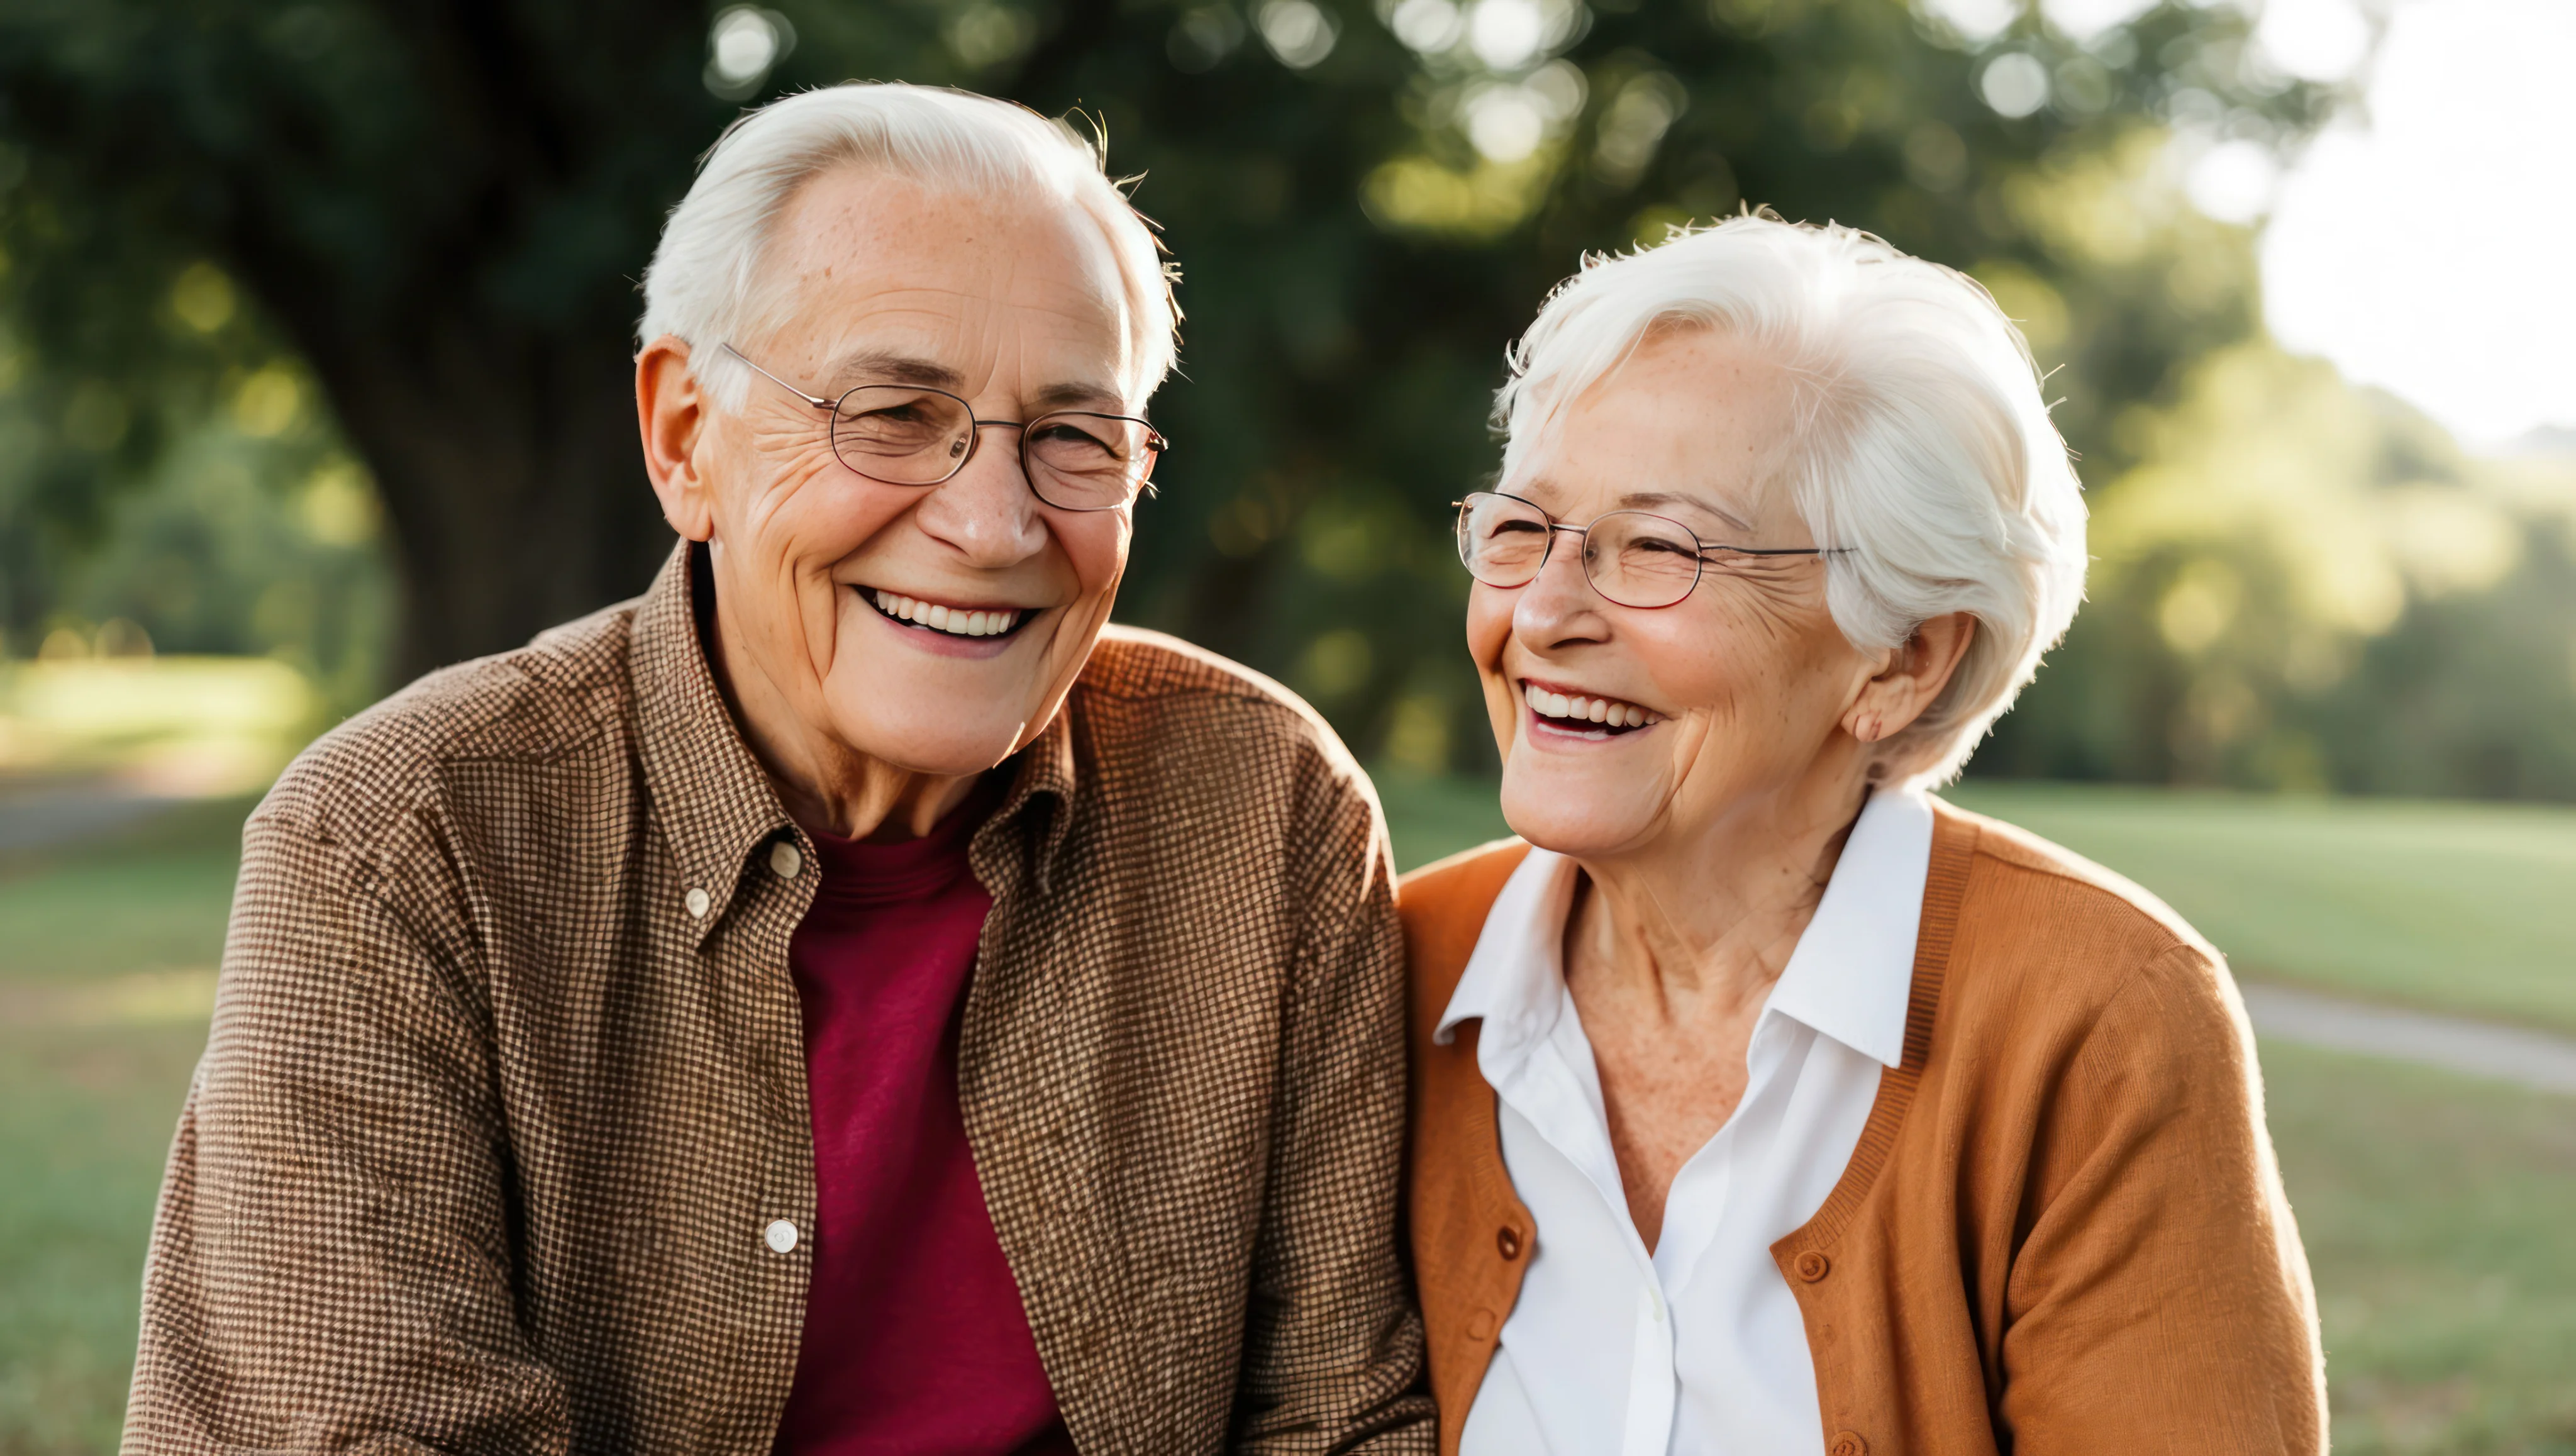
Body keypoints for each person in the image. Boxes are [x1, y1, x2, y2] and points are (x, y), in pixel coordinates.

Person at [125, 84, 1431, 1454]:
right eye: (892, 412)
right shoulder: (402, 840)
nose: (992, 525)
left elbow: (1341, 1415)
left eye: (1072, 437)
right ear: (686, 435)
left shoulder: (1260, 807)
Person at [1400, 216, 2326, 1455]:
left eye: (1659, 550)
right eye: (1522, 529)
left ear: (1898, 657)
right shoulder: (1391, 962)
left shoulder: (2100, 1013)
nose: (1544, 612)